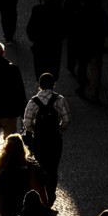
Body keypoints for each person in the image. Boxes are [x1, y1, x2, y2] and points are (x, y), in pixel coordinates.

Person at [23, 72, 71, 206]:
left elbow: (27, 123)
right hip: (55, 140)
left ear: (39, 85)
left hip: (39, 140)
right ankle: (50, 198)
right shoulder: (60, 99)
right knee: (53, 169)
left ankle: (41, 198)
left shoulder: (33, 101)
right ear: (53, 85)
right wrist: (59, 129)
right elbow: (67, 119)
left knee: (39, 167)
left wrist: (35, 130)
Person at [0, 133, 48, 216]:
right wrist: (44, 203)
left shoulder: (1, 168)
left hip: (7, 207)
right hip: (27, 205)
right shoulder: (31, 166)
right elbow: (39, 186)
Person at [71, 0, 108, 103]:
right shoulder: (101, 13)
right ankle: (94, 93)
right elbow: (106, 29)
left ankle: (82, 88)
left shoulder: (80, 12)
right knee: (96, 70)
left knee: (82, 68)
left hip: (82, 46)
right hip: (97, 46)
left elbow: (75, 30)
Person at [26, 0, 65, 82]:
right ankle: (51, 83)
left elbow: (30, 27)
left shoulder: (37, 9)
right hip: (54, 45)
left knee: (40, 67)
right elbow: (64, 28)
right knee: (53, 67)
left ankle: (42, 84)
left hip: (40, 45)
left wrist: (34, 39)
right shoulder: (58, 10)